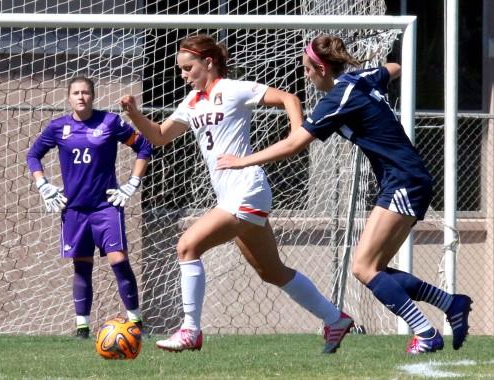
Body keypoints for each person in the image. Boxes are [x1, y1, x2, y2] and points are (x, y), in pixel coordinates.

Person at [217, 34, 473, 354]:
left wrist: (242, 161)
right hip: (406, 178)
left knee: (363, 268)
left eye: (308, 69)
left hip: (404, 180)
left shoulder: (338, 98)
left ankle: (425, 332)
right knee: (372, 267)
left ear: (322, 68)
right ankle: (451, 303)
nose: (305, 75)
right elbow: (393, 67)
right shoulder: (361, 78)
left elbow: (295, 144)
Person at [119, 34, 354, 354]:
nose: (183, 75)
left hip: (248, 188)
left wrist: (298, 134)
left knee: (187, 245)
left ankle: (190, 330)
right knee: (271, 272)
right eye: (181, 69)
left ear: (208, 63)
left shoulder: (233, 89)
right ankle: (335, 319)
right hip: (231, 195)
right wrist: (134, 114)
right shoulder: (191, 103)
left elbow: (290, 99)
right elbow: (159, 137)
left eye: (188, 68)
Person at [26, 77, 153, 338]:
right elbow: (33, 155)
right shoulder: (58, 127)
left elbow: (143, 146)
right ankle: (82, 328)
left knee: (119, 260)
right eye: (76, 93)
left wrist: (132, 183)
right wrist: (43, 185)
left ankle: (137, 323)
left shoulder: (109, 122)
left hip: (106, 207)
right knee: (81, 266)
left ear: (93, 96)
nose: (81, 97)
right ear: (69, 97)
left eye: (85, 92)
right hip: (74, 209)